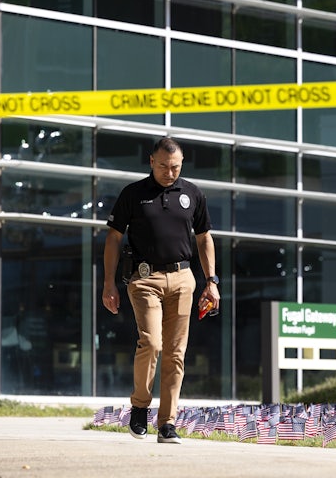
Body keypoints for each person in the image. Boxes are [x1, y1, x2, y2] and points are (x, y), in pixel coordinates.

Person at [102, 137, 220, 444]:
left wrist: (211, 281)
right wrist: (108, 283)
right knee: (152, 343)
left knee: (176, 353)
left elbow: (204, 238)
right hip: (144, 279)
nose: (170, 172)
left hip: (183, 279)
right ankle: (140, 406)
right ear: (151, 161)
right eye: (164, 166)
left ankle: (167, 423)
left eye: (176, 167)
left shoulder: (192, 193)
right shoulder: (133, 194)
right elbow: (113, 238)